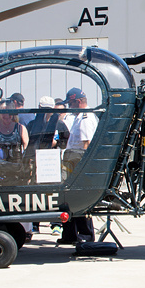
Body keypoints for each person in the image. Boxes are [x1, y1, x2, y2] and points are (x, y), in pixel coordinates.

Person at [60, 87, 96, 244]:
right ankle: (70, 234)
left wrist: (81, 173)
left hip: (78, 166)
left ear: (79, 102)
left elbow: (86, 146)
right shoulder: (79, 117)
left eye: (71, 103)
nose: (69, 107)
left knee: (80, 203)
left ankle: (85, 236)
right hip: (73, 164)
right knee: (70, 202)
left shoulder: (86, 119)